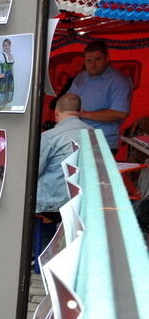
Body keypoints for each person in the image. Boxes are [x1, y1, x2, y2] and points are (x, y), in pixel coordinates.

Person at [37, 94, 91, 247]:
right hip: (84, 202)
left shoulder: (49, 137)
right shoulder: (95, 134)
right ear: (80, 111)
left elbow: (35, 172)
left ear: (56, 112)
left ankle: (40, 251)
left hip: (53, 205)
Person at [68, 40, 132, 149]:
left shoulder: (119, 81)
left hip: (101, 142)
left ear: (107, 58)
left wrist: (84, 114)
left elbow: (120, 113)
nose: (92, 65)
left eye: (97, 59)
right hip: (76, 139)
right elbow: (68, 99)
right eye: (88, 61)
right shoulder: (81, 76)